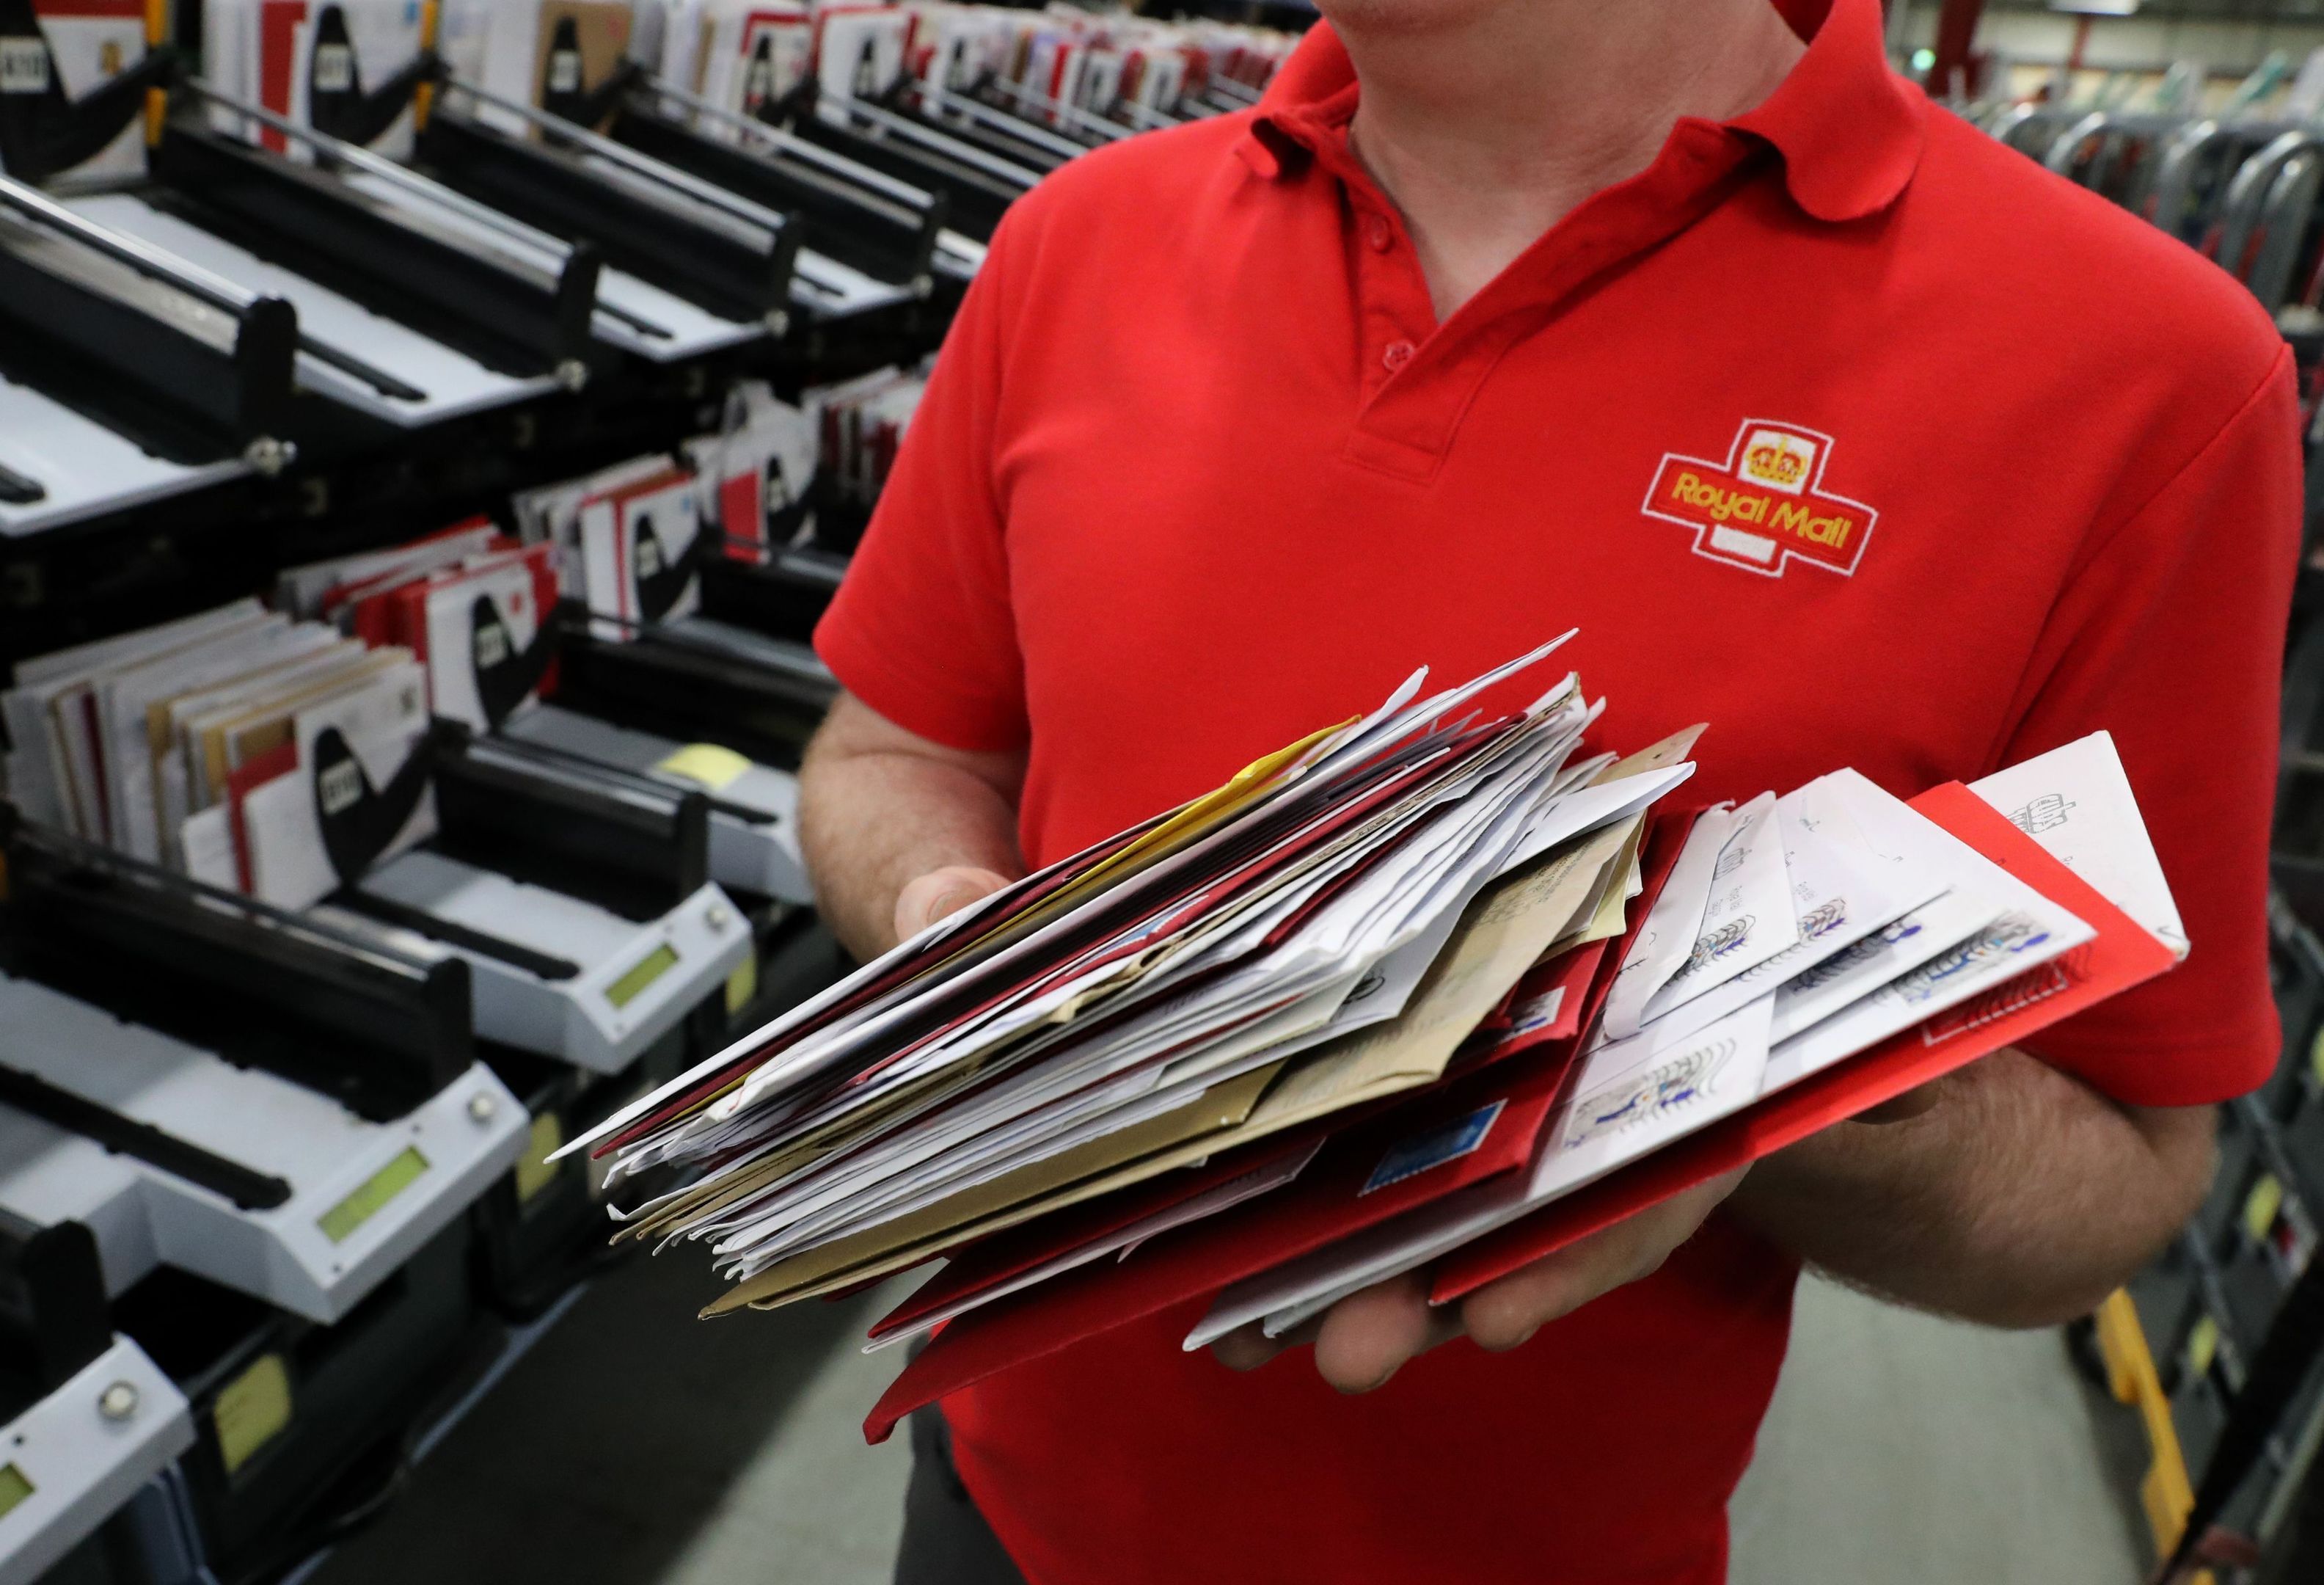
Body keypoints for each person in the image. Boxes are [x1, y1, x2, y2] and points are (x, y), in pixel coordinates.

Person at [800, 1, 2301, 1580]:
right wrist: (941, 924)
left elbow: (2126, 1167)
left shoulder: (2145, 382)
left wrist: (1746, 1094)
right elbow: (892, 754)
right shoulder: (1075, 242)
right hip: (997, 1512)